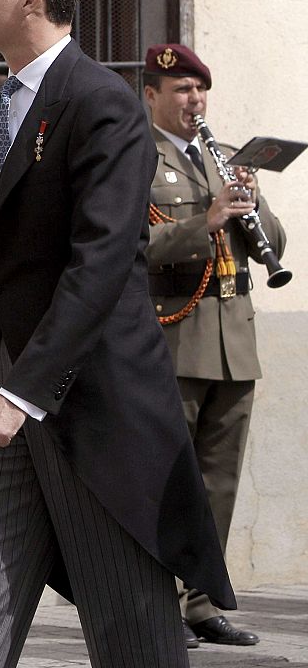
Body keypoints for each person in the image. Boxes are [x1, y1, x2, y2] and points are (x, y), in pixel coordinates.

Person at [0, 0, 235, 668]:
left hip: (90, 406)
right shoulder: (2, 105)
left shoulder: (102, 103)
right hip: (7, 383)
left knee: (133, 636)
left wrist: (22, 394)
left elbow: (102, 264)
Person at [143, 43, 286, 648]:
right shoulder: (138, 161)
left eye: (199, 90)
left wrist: (250, 201)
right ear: (151, 96)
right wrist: (203, 221)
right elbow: (134, 249)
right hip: (177, 334)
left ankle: (201, 602)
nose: (193, 101)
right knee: (173, 479)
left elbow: (273, 241)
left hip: (234, 342)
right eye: (180, 91)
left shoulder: (224, 159)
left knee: (218, 483)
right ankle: (161, 606)